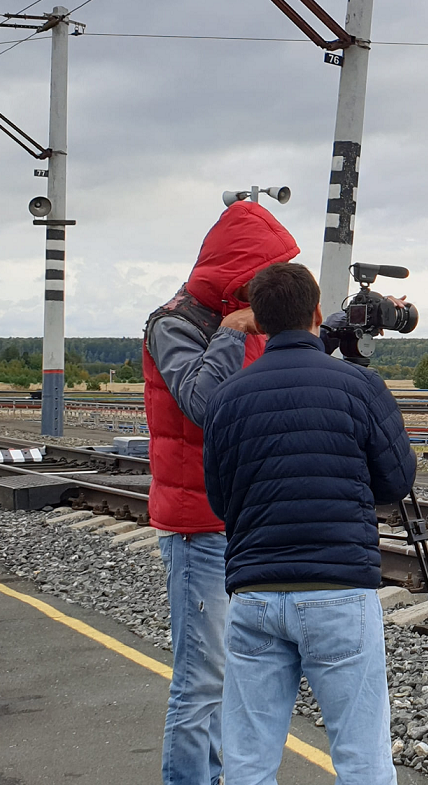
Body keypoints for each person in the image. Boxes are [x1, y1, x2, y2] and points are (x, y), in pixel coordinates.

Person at [202, 263, 416, 785]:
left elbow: (220, 499)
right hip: (340, 591)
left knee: (249, 761)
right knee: (362, 757)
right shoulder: (360, 385)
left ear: (260, 321)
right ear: (317, 312)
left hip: (254, 594)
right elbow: (396, 481)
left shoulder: (227, 398)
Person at [141, 200, 299, 785]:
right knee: (202, 681)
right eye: (263, 272)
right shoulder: (175, 324)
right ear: (238, 274)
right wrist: (233, 336)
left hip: (239, 521)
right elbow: (205, 404)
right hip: (196, 525)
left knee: (236, 675)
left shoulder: (242, 318)